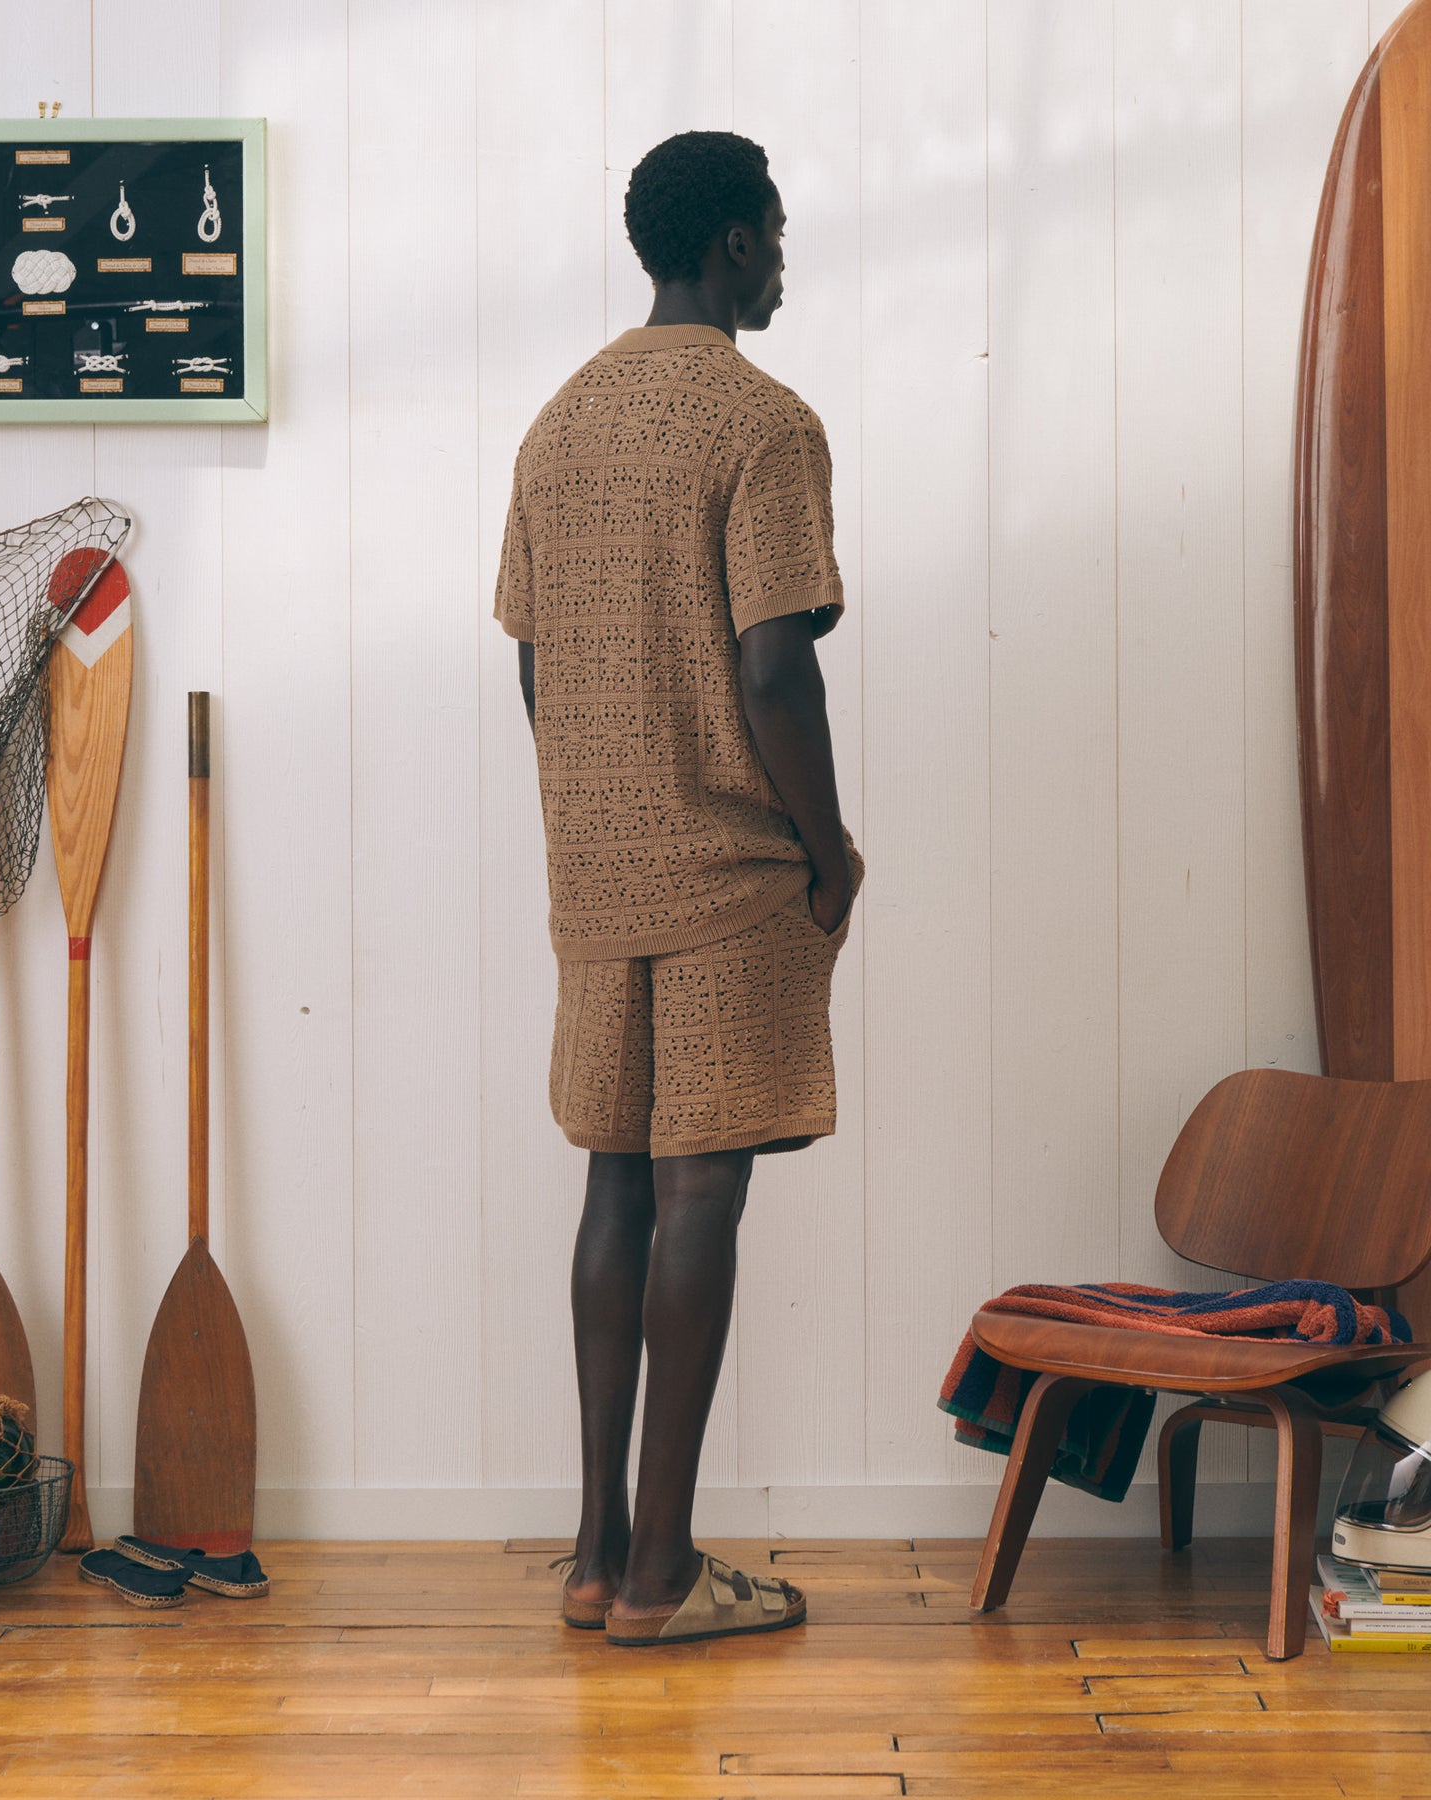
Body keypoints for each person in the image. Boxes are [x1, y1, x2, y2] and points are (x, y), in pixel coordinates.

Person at [494, 129, 861, 1647]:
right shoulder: (765, 423)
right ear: (730, 242)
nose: (782, 259)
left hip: (596, 871)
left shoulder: (559, 423)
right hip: (730, 873)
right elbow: (776, 670)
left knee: (616, 1182)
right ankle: (664, 1579)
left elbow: (533, 665)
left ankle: (596, 1559)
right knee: (703, 1188)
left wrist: (594, 807)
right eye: (773, 231)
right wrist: (829, 848)